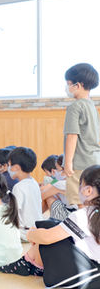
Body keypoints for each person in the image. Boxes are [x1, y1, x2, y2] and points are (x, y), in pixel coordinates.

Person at [0, 165, 100, 289]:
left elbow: (46, 238)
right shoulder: (92, 213)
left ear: (88, 190)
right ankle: (29, 263)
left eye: (80, 185)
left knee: (46, 229)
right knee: (51, 227)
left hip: (87, 276)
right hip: (94, 272)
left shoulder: (84, 215)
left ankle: (26, 262)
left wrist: (31, 234)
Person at [63, 63, 100, 209]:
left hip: (79, 163)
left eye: (68, 84)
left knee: (81, 204)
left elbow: (72, 136)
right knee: (92, 203)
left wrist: (67, 163)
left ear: (78, 85)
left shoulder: (75, 107)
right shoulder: (91, 106)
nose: (67, 88)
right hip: (94, 161)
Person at [7, 147, 42, 241]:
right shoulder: (34, 182)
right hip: (36, 230)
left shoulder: (19, 187)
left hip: (24, 233)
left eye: (9, 165)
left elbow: (13, 213)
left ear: (16, 167)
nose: (8, 168)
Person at [40, 155, 69, 221]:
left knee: (48, 195)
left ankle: (35, 217)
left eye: (57, 169)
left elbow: (41, 195)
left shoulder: (59, 183)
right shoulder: (72, 180)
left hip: (66, 216)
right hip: (73, 212)